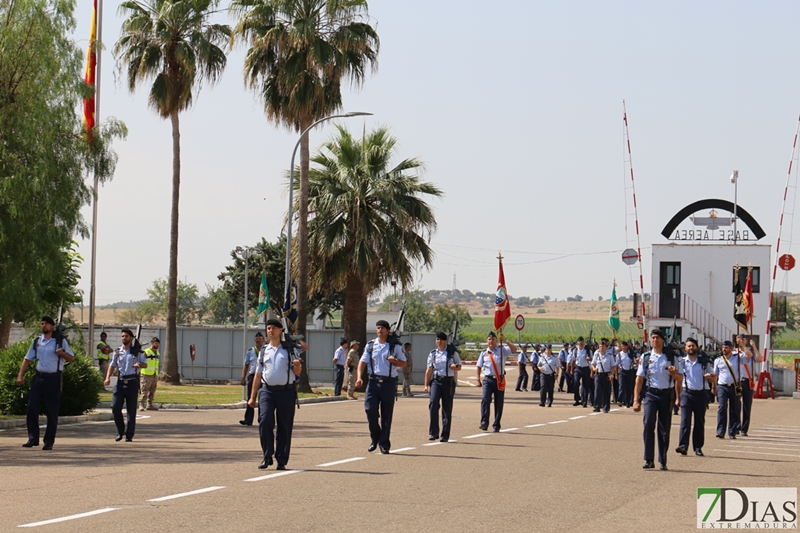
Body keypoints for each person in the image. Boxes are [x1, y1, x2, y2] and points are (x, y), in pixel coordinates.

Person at [248, 319, 307, 470]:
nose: (270, 331)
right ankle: (267, 456)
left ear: (281, 330)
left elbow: (297, 373)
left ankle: (281, 459)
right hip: (267, 390)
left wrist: (298, 366)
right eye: (268, 328)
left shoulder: (290, 349)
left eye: (274, 328)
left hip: (286, 391)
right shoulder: (264, 350)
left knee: (284, 426)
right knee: (265, 421)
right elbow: (257, 374)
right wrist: (252, 396)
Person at [17, 316, 75, 450]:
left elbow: (71, 358)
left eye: (46, 324)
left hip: (53, 378)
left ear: (52, 326)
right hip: (38, 378)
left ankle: (48, 441)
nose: (44, 326)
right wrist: (20, 375)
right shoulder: (38, 341)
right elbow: (28, 359)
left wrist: (62, 353)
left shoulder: (60, 341)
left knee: (51, 411)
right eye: (42, 323)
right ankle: (32, 438)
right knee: (32, 408)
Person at [633, 329, 682, 471]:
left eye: (657, 338)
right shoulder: (646, 356)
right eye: (652, 338)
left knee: (664, 428)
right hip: (651, 394)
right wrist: (636, 399)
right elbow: (639, 378)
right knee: (648, 424)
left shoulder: (671, 357)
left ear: (662, 340)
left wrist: (674, 374)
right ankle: (649, 459)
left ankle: (663, 459)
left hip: (667, 394)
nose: (654, 340)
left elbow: (680, 378)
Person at [356, 320, 407, 454]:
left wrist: (395, 361)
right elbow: (362, 362)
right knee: (370, 410)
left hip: (388, 383)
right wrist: (359, 377)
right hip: (373, 382)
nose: (380, 330)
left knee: (386, 415)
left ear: (388, 330)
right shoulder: (371, 345)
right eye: (378, 328)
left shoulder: (394, 346)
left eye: (383, 328)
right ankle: (375, 437)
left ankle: (384, 443)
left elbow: (404, 363)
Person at [104, 328, 147, 442]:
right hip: (120, 382)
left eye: (126, 336)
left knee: (131, 410)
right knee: (115, 407)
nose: (124, 338)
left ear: (131, 338)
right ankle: (120, 430)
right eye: (122, 336)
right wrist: (107, 377)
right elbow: (112, 365)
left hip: (132, 382)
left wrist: (140, 365)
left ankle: (129, 434)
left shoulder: (137, 352)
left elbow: (145, 364)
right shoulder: (118, 351)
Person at [676, 337, 715, 457]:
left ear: (697, 347)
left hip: (701, 394)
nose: (691, 348)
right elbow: (677, 381)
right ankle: (683, 445)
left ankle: (698, 447)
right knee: (685, 421)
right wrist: (677, 397)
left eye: (693, 346)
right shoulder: (681, 361)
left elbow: (714, 378)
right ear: (685, 348)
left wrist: (710, 378)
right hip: (687, 393)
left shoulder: (704, 362)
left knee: (699, 422)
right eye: (689, 346)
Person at [424, 332, 462, 442]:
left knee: (447, 408)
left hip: (448, 382)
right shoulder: (433, 354)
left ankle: (445, 435)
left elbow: (459, 366)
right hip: (436, 381)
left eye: (441, 339)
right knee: (433, 405)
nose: (439, 341)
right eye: (437, 339)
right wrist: (426, 385)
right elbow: (429, 369)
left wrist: (455, 367)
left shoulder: (451, 353)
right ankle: (433, 432)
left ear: (445, 341)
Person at [476, 331, 517, 432]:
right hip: (488, 379)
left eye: (493, 339)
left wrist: (505, 341)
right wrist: (478, 379)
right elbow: (479, 366)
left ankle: (497, 424)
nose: (491, 341)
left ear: (496, 341)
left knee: (499, 403)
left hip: (499, 380)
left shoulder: (502, 350)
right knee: (485, 400)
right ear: (487, 341)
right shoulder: (484, 353)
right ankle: (484, 422)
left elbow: (514, 349)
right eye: (489, 339)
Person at [711, 340, 742, 440]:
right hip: (722, 386)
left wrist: (741, 344)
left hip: (734, 386)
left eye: (726, 348)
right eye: (723, 348)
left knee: (734, 409)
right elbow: (715, 375)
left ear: (730, 348)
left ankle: (732, 431)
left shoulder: (737, 358)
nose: (724, 349)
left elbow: (749, 355)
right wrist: (713, 386)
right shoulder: (718, 360)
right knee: (722, 407)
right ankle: (720, 431)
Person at [239, 332, 265, 426]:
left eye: (260, 337)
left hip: (263, 376)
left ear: (263, 339)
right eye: (256, 337)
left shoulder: (266, 349)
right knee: (251, 398)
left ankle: (262, 419)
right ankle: (248, 419)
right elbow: (246, 365)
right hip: (253, 375)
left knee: (263, 398)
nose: (258, 339)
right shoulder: (250, 351)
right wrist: (243, 378)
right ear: (254, 340)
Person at [737, 336, 759, 437]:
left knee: (747, 406)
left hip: (747, 381)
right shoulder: (734, 352)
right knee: (736, 405)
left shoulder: (750, 352)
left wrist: (754, 347)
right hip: (736, 381)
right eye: (739, 338)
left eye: (742, 339)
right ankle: (736, 426)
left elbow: (759, 359)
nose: (741, 340)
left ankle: (744, 428)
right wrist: (740, 346)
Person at [591, 338, 617, 413]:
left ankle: (606, 407)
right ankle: (597, 406)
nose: (601, 348)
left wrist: (611, 375)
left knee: (606, 391)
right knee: (597, 391)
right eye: (600, 346)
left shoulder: (609, 355)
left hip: (606, 375)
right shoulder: (596, 354)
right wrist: (594, 369)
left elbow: (613, 367)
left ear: (606, 347)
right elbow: (592, 364)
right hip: (598, 375)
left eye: (603, 346)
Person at [570, 336, 594, 407]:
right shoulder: (575, 350)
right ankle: (577, 399)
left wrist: (589, 359)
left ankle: (584, 401)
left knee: (585, 385)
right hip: (578, 368)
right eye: (579, 341)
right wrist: (572, 369)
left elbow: (592, 359)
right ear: (578, 342)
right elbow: (573, 360)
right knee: (576, 383)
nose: (580, 342)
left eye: (582, 341)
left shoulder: (587, 350)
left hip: (586, 368)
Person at [139, 337, 161, 411]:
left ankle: (149, 404)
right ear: (152, 343)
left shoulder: (157, 353)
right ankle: (141, 404)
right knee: (144, 390)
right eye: (156, 343)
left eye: (158, 344)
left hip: (154, 374)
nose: (157, 345)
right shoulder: (146, 352)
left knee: (152, 390)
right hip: (146, 374)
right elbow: (141, 362)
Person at [616, 341, 636, 408]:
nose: (623, 347)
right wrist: (616, 373)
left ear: (627, 346)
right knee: (622, 386)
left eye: (624, 346)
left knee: (629, 388)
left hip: (630, 371)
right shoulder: (619, 354)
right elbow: (617, 364)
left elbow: (634, 361)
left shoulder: (630, 353)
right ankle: (620, 400)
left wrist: (634, 365)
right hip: (622, 371)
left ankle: (628, 402)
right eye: (622, 346)